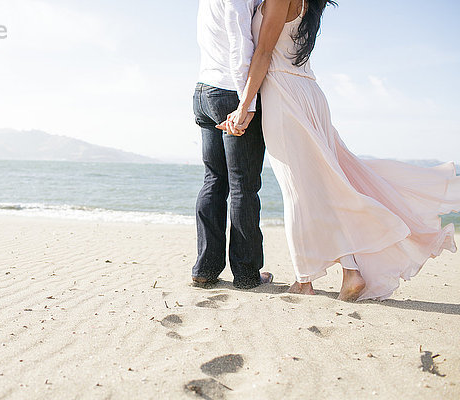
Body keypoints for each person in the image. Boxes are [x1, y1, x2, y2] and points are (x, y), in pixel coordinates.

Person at [218, 0, 460, 301]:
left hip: (284, 96)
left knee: (298, 189)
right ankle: (350, 272)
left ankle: (305, 280)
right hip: (308, 92)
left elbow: (265, 52)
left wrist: (244, 107)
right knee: (327, 185)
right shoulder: (310, 3)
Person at [193, 0, 273, 289]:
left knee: (213, 180)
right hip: (230, 91)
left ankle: (205, 269)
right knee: (244, 186)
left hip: (203, 89)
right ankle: (247, 274)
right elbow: (241, 43)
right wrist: (247, 102)